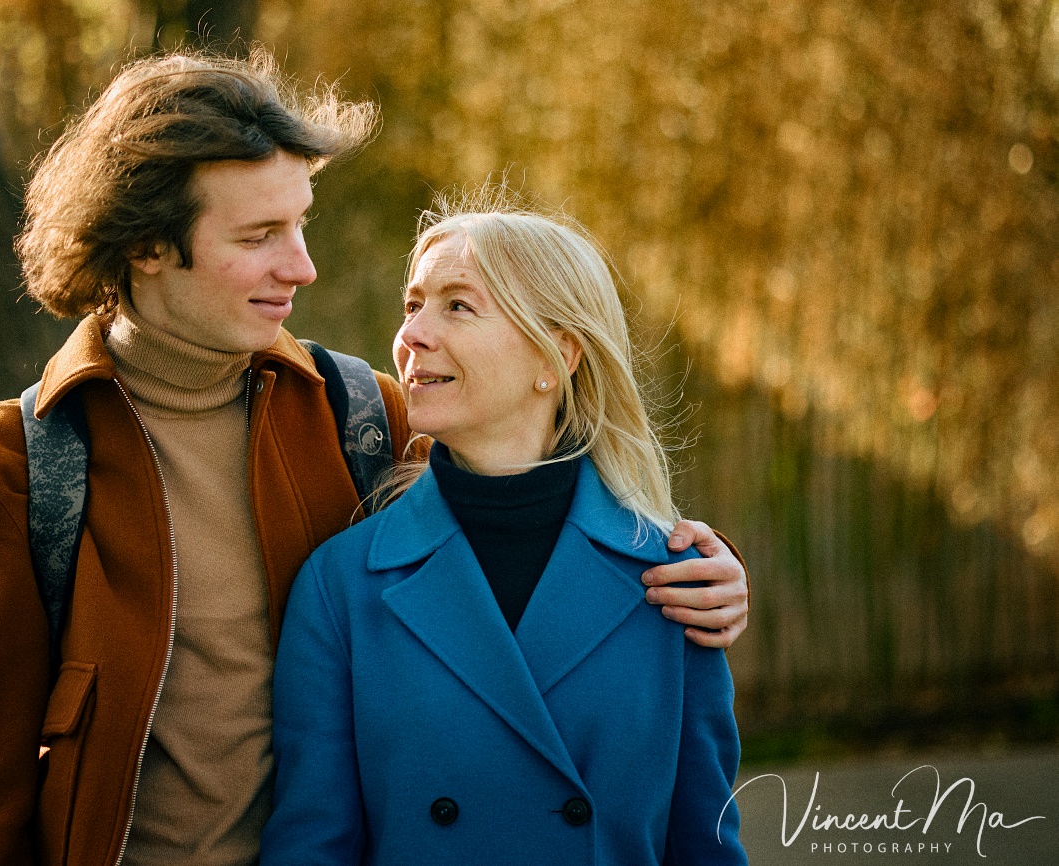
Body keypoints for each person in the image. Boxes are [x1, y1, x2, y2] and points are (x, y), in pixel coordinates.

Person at [0, 48, 749, 866]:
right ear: (147, 246)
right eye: (259, 235)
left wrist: (708, 573)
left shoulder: (363, 414)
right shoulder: (25, 463)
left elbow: (532, 523)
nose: (302, 266)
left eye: (301, 223)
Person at [261, 194, 747, 865]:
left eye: (458, 305)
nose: (412, 335)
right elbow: (311, 849)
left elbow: (707, 846)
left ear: (557, 356)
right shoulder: (340, 585)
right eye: (413, 305)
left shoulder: (674, 579)